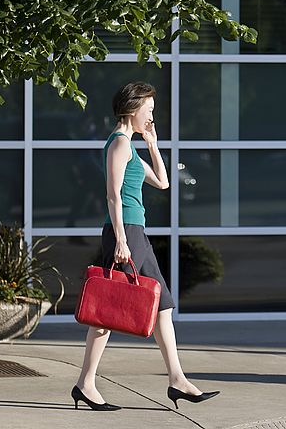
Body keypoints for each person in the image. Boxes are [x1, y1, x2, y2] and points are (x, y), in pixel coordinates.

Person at [71, 81, 220, 411]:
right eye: (148, 111)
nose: (152, 116)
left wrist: (153, 143)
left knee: (160, 304)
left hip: (135, 233)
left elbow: (164, 182)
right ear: (133, 108)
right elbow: (112, 195)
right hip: (125, 234)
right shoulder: (119, 145)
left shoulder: (132, 146)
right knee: (108, 311)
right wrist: (122, 239)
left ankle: (174, 380)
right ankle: (88, 383)